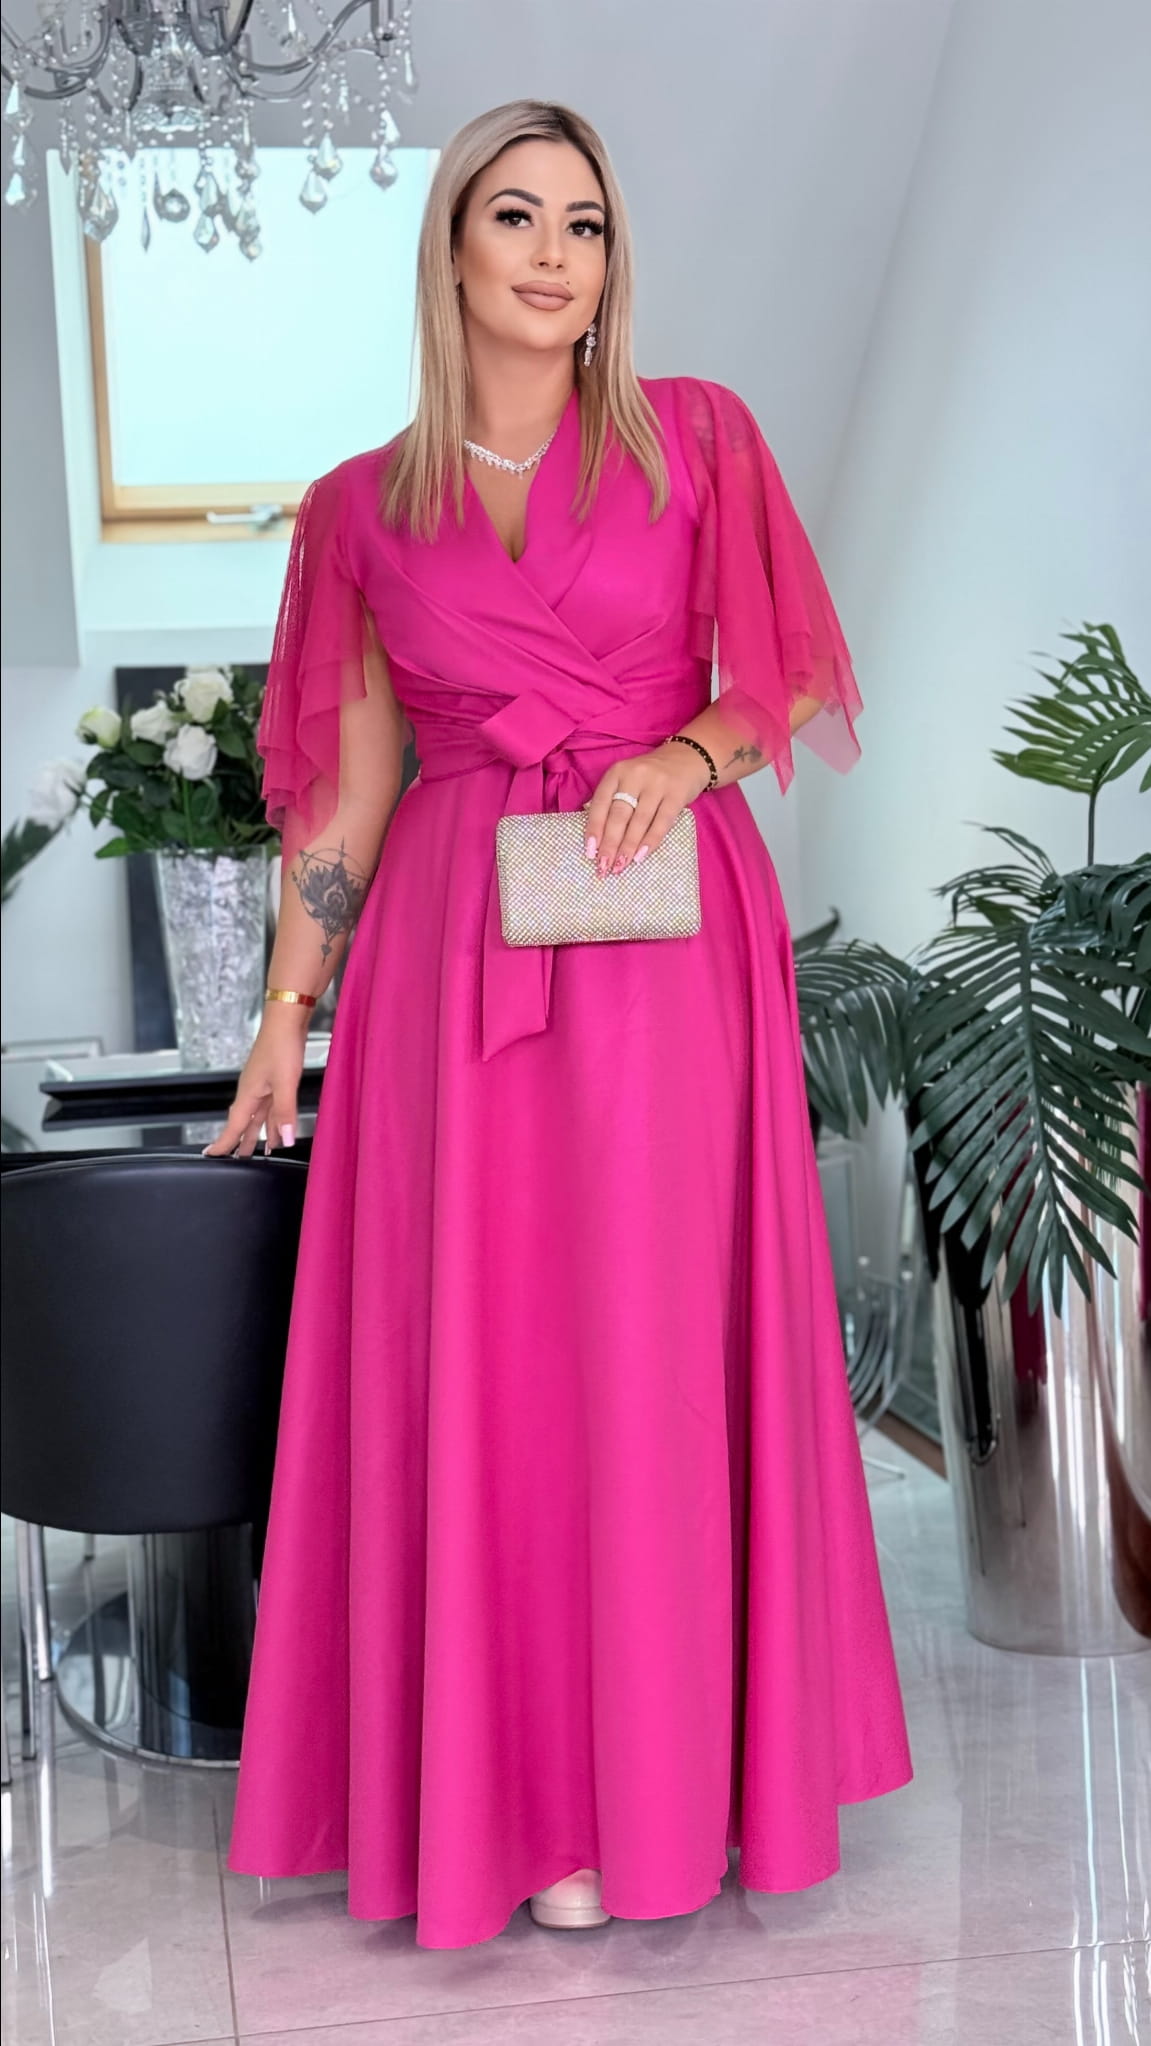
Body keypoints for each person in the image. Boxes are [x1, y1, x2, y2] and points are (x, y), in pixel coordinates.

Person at [213, 98, 913, 1950]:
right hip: (455, 957)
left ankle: (668, 1787)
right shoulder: (360, 509)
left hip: (667, 933)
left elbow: (785, 678)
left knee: (655, 1351)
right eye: (514, 217)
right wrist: (289, 1010)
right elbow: (348, 790)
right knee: (495, 1363)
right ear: (452, 251)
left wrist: (686, 759)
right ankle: (514, 1798)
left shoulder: (699, 436)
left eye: (584, 225)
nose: (552, 254)